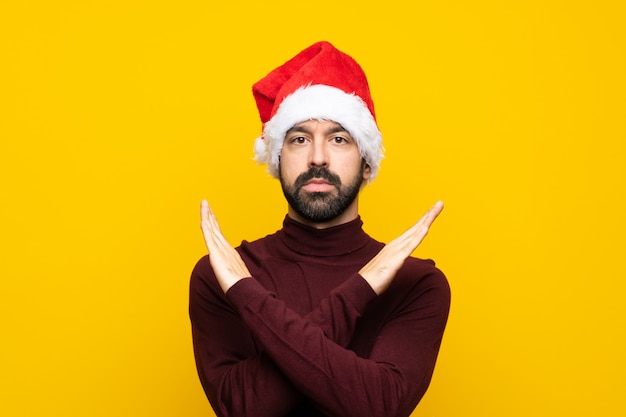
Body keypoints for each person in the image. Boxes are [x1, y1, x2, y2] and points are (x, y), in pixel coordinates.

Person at [189, 41, 451, 417]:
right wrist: (246, 291)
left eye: (339, 139)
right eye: (299, 139)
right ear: (277, 159)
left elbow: (378, 407)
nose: (317, 157)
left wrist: (361, 286)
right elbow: (245, 409)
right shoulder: (224, 274)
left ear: (366, 163)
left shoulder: (415, 282)